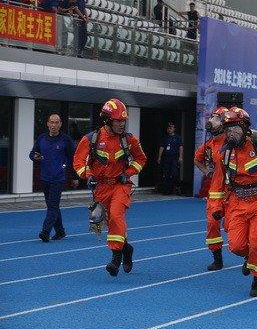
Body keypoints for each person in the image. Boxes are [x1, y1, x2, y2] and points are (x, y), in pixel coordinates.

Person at [208, 107, 257, 297]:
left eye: (235, 129)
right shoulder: (224, 154)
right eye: (228, 130)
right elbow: (217, 182)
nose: (231, 133)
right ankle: (249, 257)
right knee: (236, 246)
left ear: (245, 128)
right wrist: (216, 206)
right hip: (237, 202)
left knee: (256, 242)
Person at [73, 99, 147, 276]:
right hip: (101, 189)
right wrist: (87, 175)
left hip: (121, 186)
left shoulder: (129, 140)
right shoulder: (91, 139)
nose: (122, 124)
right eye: (118, 121)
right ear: (107, 120)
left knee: (115, 214)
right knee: (107, 222)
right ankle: (127, 249)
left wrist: (128, 173)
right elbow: (78, 162)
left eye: (123, 121)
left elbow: (141, 159)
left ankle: (116, 257)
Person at [29, 113, 78, 242]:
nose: (54, 125)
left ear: (60, 124)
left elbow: (73, 159)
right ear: (47, 123)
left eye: (56, 123)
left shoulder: (66, 140)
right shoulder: (41, 138)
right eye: (52, 122)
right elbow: (32, 153)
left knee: (52, 206)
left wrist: (74, 176)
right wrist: (35, 157)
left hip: (59, 178)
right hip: (45, 178)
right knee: (52, 206)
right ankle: (60, 231)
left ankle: (45, 231)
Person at [194, 107, 229, 270]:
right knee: (212, 224)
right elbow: (197, 159)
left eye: (217, 117)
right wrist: (207, 171)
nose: (212, 120)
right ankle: (217, 258)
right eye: (212, 117)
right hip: (216, 190)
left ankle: (248, 254)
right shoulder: (209, 144)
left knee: (233, 225)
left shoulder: (232, 141)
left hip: (234, 190)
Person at [157, 122, 183, 195]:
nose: (169, 129)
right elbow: (162, 147)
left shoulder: (178, 137)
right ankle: (167, 190)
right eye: (168, 128)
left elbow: (181, 147)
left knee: (174, 173)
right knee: (166, 174)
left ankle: (177, 188)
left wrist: (180, 157)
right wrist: (159, 157)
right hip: (166, 158)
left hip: (174, 158)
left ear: (174, 129)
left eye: (171, 128)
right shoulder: (165, 138)